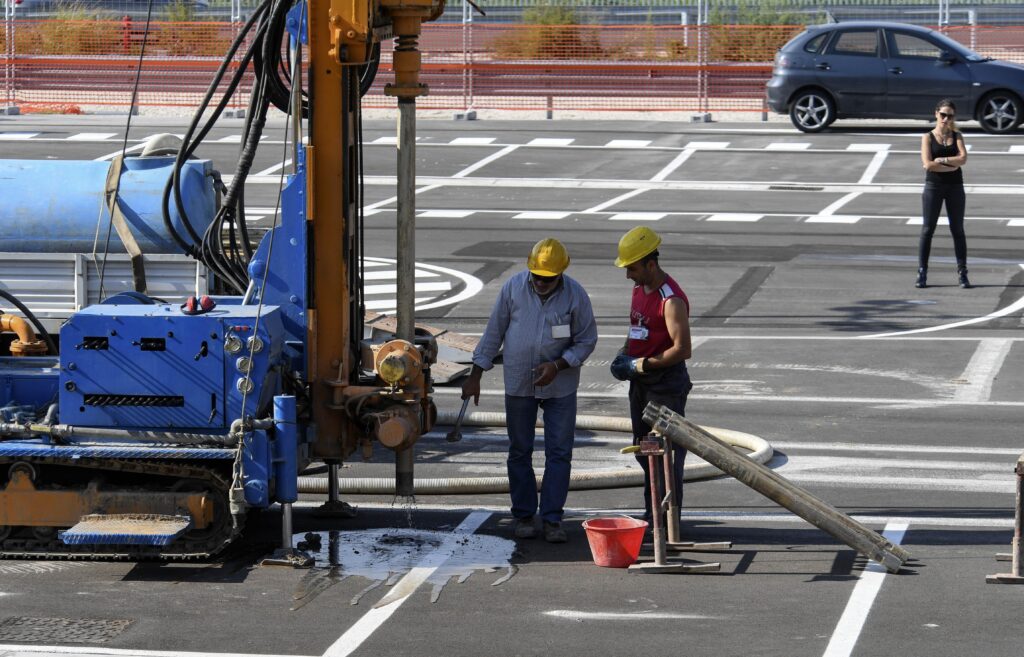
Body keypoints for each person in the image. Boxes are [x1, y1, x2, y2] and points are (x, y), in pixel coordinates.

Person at [461, 238, 598, 543]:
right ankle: (524, 515)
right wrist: (475, 375)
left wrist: (559, 365)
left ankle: (551, 519)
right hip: (520, 384)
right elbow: (493, 332)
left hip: (560, 387)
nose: (541, 282)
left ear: (560, 274)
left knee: (559, 453)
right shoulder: (513, 288)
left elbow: (586, 340)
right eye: (537, 276)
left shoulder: (575, 295)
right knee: (519, 450)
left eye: (548, 279)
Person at [611, 226, 693, 527]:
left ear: (650, 264)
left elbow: (682, 349)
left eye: (631, 268)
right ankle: (654, 514)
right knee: (645, 452)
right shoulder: (638, 289)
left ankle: (668, 521)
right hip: (642, 385)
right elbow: (637, 328)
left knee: (665, 457)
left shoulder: (670, 300)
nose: (628, 274)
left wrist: (642, 364)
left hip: (665, 387)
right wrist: (625, 353)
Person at [918, 99, 970, 289]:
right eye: (943, 115)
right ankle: (922, 272)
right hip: (933, 187)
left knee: (958, 230)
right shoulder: (927, 137)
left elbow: (963, 159)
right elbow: (928, 164)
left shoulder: (957, 136)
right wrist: (951, 167)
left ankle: (962, 273)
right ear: (936, 114)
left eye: (950, 116)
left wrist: (944, 159)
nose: (946, 119)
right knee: (927, 229)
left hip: (955, 187)